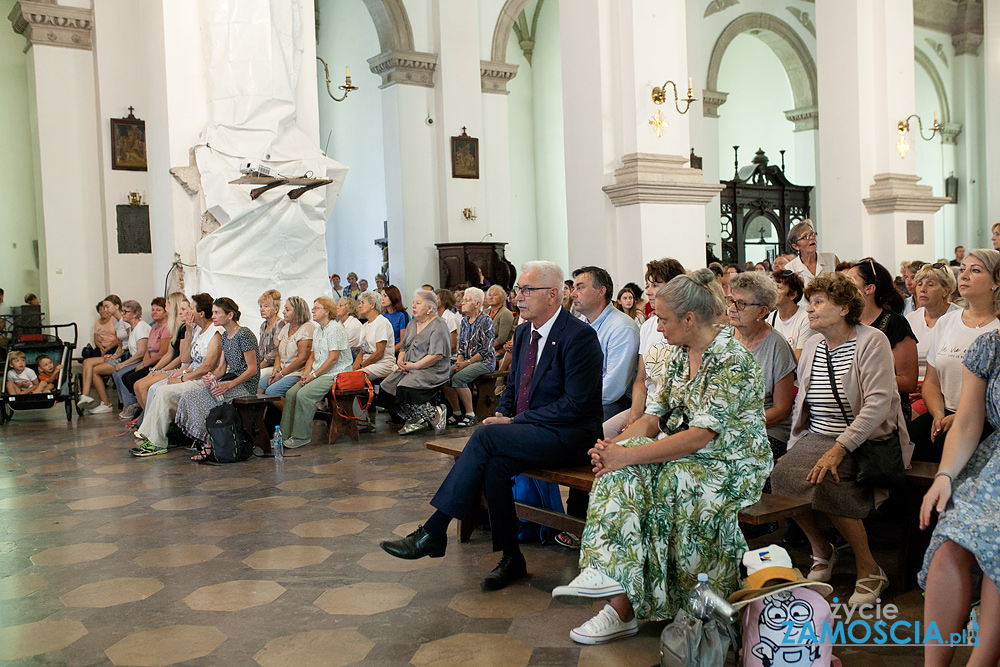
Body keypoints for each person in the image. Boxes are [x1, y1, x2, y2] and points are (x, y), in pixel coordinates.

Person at [551, 268, 771, 645]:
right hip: (687, 451)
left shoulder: (731, 359)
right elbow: (653, 419)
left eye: (663, 317)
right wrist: (615, 448)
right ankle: (609, 580)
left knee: (664, 480)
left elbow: (702, 435)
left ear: (689, 319)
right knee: (620, 470)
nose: (656, 323)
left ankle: (640, 604)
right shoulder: (675, 353)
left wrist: (628, 456)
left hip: (731, 461)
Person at [378, 261, 604, 592]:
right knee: (495, 464)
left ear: (553, 294)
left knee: (485, 436)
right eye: (519, 290)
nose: (519, 298)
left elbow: (577, 404)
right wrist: (503, 413)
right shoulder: (525, 331)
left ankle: (433, 531)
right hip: (530, 431)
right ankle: (512, 558)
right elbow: (514, 386)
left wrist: (513, 421)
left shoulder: (580, 336)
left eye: (527, 290)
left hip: (568, 435)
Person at [771, 272, 912, 607]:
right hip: (819, 435)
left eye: (819, 302)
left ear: (846, 308)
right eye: (810, 302)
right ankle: (822, 549)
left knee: (830, 481)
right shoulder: (816, 345)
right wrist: (793, 450)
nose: (810, 310)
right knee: (782, 475)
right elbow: (803, 401)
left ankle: (869, 568)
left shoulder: (871, 340)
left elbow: (878, 404)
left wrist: (839, 448)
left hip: (867, 438)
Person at [918, 329, 1000, 667]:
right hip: (994, 467)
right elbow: (967, 423)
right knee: (949, 541)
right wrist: (944, 476)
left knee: (996, 545)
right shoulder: (990, 346)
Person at [911, 250, 1000, 462]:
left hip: (989, 420)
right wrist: (939, 415)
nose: (964, 275)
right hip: (944, 413)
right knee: (907, 445)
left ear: (996, 282)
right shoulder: (947, 322)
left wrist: (961, 418)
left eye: (975, 270)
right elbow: (931, 383)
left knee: (949, 448)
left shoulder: (996, 328)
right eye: (963, 269)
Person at [603, 258, 686, 439]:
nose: (648, 291)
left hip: (672, 413)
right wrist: (634, 416)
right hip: (648, 406)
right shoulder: (648, 326)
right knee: (600, 438)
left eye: (655, 285)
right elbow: (641, 379)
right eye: (647, 285)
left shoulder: (686, 327)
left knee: (619, 451)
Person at [130, 294, 222, 456]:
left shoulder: (215, 332)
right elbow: (186, 359)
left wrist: (182, 378)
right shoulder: (198, 330)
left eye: (191, 308)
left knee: (164, 392)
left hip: (205, 379)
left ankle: (156, 442)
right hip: (193, 373)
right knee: (159, 389)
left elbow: (208, 365)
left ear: (201, 313)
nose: (188, 312)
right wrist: (188, 332)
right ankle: (152, 437)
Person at [174, 298, 260, 460]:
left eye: (217, 312)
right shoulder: (225, 336)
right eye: (212, 312)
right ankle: (209, 439)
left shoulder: (244, 334)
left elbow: (252, 369)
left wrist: (227, 386)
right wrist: (211, 378)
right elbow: (221, 368)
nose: (212, 316)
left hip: (245, 384)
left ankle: (211, 444)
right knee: (190, 396)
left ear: (230, 315)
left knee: (210, 397)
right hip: (230, 381)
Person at [728, 272, 796, 468]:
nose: (732, 309)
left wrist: (740, 425)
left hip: (766, 430)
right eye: (731, 301)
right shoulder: (724, 338)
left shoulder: (777, 346)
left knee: (732, 463)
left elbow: (782, 409)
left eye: (741, 304)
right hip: (728, 426)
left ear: (762, 311)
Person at [847, 258, 919, 418]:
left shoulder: (894, 323)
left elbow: (908, 381)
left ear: (869, 289)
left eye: (850, 281)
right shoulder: (846, 322)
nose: (843, 287)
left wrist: (859, 380)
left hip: (886, 412)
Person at [279, 297, 353, 449]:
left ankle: (302, 436)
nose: (313, 310)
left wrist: (313, 375)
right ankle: (284, 434)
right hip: (320, 372)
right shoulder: (318, 329)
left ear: (327, 311)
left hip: (336, 373)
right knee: (291, 393)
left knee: (304, 395)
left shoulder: (335, 328)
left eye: (317, 308)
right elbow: (312, 356)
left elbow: (333, 359)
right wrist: (306, 374)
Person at [379, 290, 453, 434]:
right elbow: (404, 347)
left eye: (418, 303)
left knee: (406, 388)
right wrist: (400, 361)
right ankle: (414, 417)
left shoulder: (439, 325)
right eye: (413, 303)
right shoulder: (413, 323)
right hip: (410, 367)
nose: (414, 306)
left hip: (432, 369)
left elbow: (436, 355)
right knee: (386, 389)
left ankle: (435, 415)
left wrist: (415, 366)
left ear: (430, 308)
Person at [572, 266, 640, 420]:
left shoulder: (622, 327)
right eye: (574, 288)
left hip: (610, 402)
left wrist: (575, 401)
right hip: (580, 397)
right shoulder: (580, 323)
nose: (573, 294)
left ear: (601, 291)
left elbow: (613, 388)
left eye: (580, 288)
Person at [78, 300, 149, 414]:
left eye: (107, 307)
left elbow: (138, 351)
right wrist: (114, 355)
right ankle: (86, 395)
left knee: (111, 372)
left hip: (133, 357)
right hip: (125, 355)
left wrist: (122, 361)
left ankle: (125, 404)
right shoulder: (122, 324)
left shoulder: (133, 325)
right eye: (123, 311)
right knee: (88, 362)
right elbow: (122, 345)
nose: (105, 310)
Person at [443, 287, 496, 427]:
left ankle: (470, 414)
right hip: (467, 360)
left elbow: (486, 350)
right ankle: (456, 412)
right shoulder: (465, 321)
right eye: (463, 300)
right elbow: (461, 346)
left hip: (484, 361)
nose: (462, 303)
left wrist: (466, 363)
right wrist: (460, 362)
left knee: (459, 378)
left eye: (466, 300)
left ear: (477, 304)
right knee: (445, 376)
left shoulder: (485, 321)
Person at [133, 295, 192, 411]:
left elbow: (181, 358)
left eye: (166, 305)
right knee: (137, 385)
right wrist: (155, 369)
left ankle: (152, 422)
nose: (165, 307)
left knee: (143, 386)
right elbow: (168, 354)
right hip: (172, 365)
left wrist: (162, 370)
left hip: (179, 367)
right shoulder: (175, 327)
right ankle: (148, 420)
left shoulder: (184, 327)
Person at [904, 262, 960, 384]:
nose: (922, 289)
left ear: (946, 291)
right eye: (919, 284)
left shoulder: (959, 318)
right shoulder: (910, 319)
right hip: (912, 385)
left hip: (944, 385)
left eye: (930, 285)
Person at [116, 297, 171, 419]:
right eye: (153, 309)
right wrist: (145, 363)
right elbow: (147, 349)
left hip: (159, 362)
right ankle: (142, 409)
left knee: (131, 378)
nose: (154, 312)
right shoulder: (155, 326)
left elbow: (162, 354)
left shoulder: (166, 328)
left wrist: (145, 365)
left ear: (166, 312)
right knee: (126, 377)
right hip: (149, 361)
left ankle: (143, 411)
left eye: (158, 310)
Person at [264, 296, 316, 401]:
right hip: (283, 372)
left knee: (271, 392)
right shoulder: (286, 327)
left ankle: (293, 416)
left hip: (298, 373)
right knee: (258, 386)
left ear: (298, 312)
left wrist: (282, 374)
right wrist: (275, 371)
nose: (283, 312)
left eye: (287, 310)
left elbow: (302, 359)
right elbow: (278, 354)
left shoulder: (307, 328)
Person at [769, 269, 816, 360]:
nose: (773, 291)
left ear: (793, 295)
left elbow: (798, 360)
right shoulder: (772, 317)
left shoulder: (806, 319)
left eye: (779, 288)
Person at [353, 291, 397, 381]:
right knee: (345, 376)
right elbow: (362, 351)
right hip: (368, 364)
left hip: (382, 364)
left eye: (362, 302)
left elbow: (379, 353)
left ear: (372, 305)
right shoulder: (365, 325)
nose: (359, 306)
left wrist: (362, 366)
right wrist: (353, 368)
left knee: (353, 379)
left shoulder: (382, 322)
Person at [785, 220, 840, 290]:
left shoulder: (832, 259)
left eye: (812, 234)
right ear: (795, 246)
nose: (811, 238)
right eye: (805, 237)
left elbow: (843, 286)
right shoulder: (790, 269)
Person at [257, 289, 285, 384]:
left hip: (275, 365)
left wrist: (260, 366)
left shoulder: (280, 324)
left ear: (276, 309)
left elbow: (276, 351)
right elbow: (260, 349)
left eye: (266, 306)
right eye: (261, 306)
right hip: (263, 364)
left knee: (256, 376)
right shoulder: (263, 325)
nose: (262, 309)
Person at [485, 285, 514, 356]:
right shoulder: (485, 312)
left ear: (502, 297)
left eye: (495, 295)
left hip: (500, 349)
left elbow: (501, 339)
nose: (491, 297)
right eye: (489, 295)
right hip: (485, 347)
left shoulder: (505, 313)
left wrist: (484, 350)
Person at [381, 285, 410, 353]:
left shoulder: (402, 315)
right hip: (384, 351)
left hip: (398, 352)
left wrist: (388, 353)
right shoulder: (383, 316)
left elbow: (403, 341)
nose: (382, 299)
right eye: (381, 296)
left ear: (393, 297)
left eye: (385, 296)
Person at [434, 289, 461, 355]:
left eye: (436, 299)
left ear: (444, 301)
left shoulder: (450, 318)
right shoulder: (435, 317)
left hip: (450, 357)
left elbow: (453, 346)